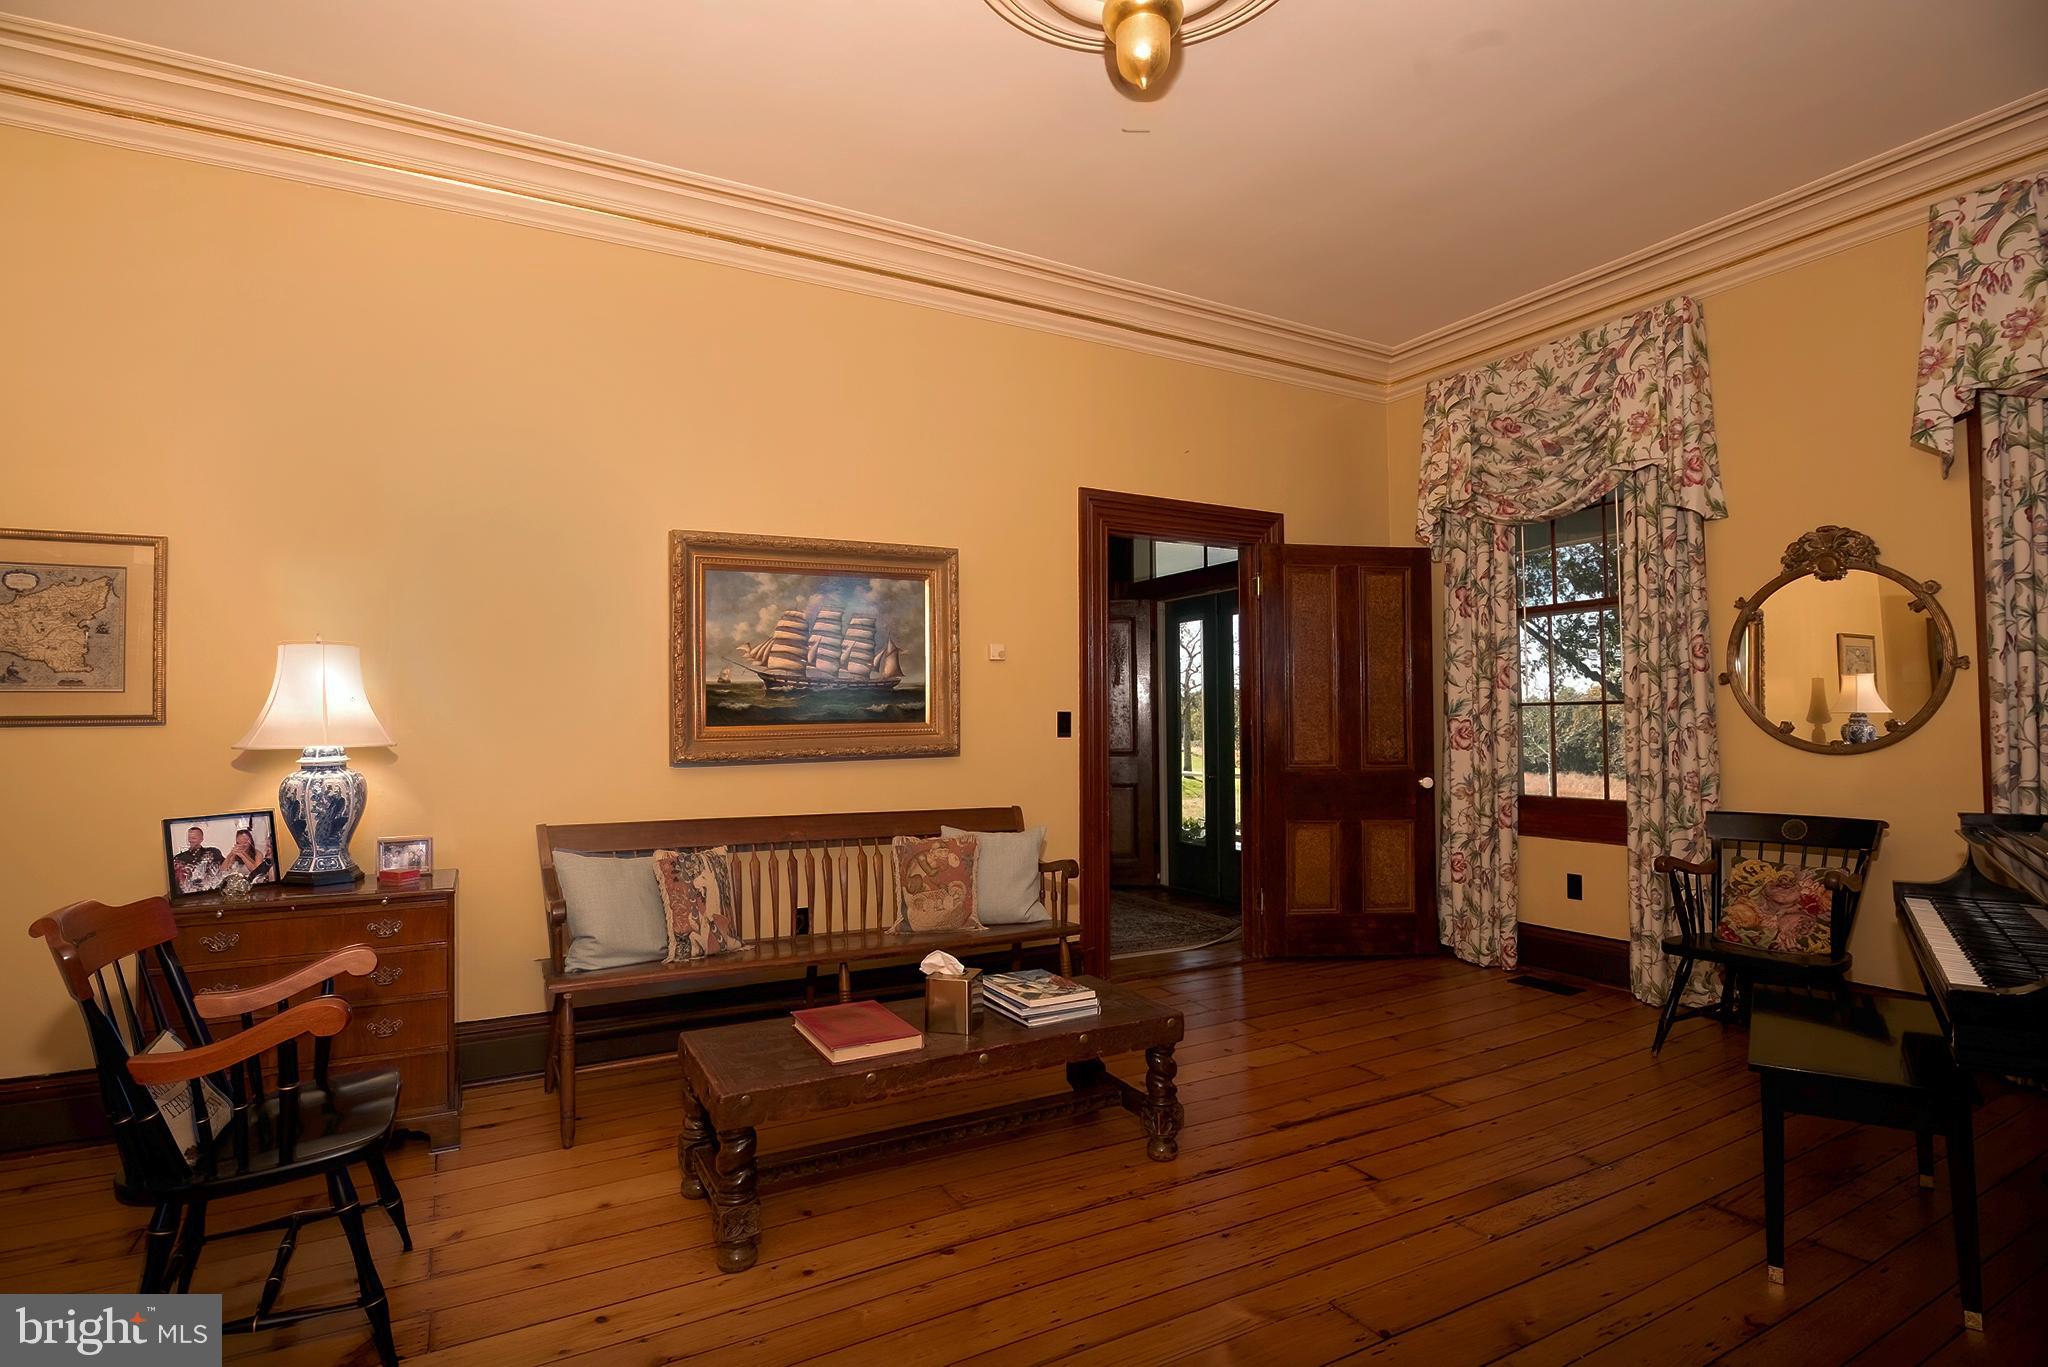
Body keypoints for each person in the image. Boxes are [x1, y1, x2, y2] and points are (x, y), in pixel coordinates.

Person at [170, 825, 224, 893]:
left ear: (201, 839)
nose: (190, 841)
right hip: (187, 896)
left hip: (211, 893)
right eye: (189, 838)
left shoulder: (213, 852)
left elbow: (224, 869)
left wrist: (232, 855)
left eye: (194, 838)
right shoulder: (178, 858)